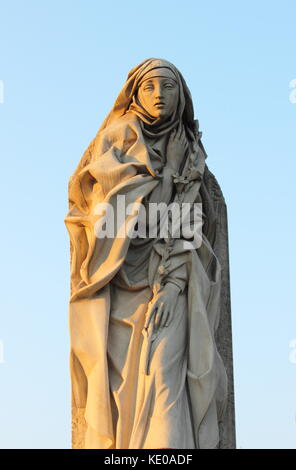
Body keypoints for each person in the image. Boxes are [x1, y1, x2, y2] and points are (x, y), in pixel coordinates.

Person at [65, 58, 228, 449]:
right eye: (150, 87)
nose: (159, 95)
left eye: (168, 87)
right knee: (121, 390)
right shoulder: (116, 139)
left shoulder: (189, 150)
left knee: (165, 374)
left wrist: (173, 285)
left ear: (181, 95)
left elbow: (194, 223)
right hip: (119, 281)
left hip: (173, 281)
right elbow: (103, 207)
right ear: (136, 94)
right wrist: (158, 180)